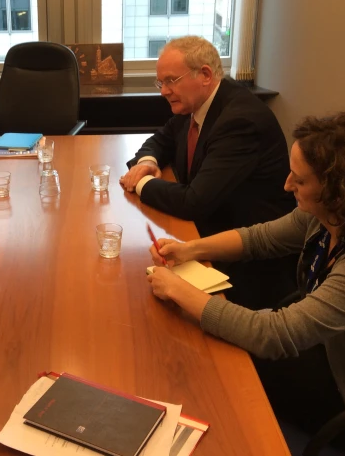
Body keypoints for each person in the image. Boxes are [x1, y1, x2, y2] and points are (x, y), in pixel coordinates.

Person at [146, 112, 345, 456]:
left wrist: (179, 290)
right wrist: (190, 248)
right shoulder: (330, 216)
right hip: (334, 355)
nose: (287, 184)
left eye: (300, 180)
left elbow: (275, 335)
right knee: (215, 362)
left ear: (339, 190)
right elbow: (261, 238)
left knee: (217, 388)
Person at [121, 35, 297, 309]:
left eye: (170, 80)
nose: (163, 91)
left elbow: (194, 202)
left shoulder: (240, 120)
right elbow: (161, 140)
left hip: (249, 261)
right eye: (161, 82)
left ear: (204, 74)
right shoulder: (195, 105)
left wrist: (140, 183)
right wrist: (147, 162)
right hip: (205, 235)